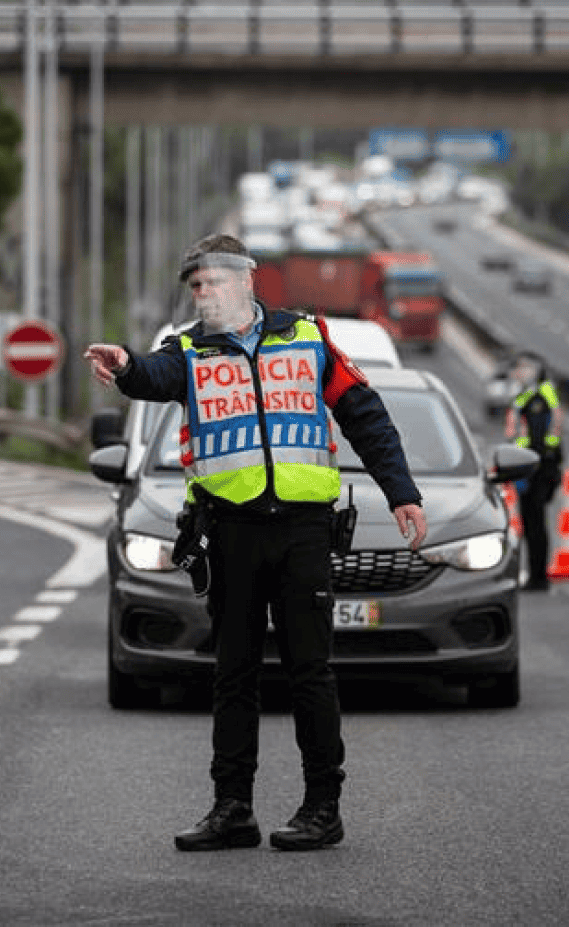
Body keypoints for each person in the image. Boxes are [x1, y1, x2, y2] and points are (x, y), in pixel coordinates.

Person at [84, 234, 427, 853]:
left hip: (301, 531)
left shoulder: (308, 337)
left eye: (212, 282)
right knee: (233, 674)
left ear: (246, 280)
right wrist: (127, 364)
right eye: (195, 286)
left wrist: (401, 493)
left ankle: (323, 807)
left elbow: (365, 415)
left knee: (310, 672)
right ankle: (232, 808)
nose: (203, 293)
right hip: (230, 531)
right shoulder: (188, 351)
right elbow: (151, 376)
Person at [504, 352, 563, 591]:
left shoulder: (539, 397)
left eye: (523, 368)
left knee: (535, 524)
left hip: (536, 469)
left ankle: (539, 577)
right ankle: (537, 575)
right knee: (531, 523)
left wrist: (527, 469)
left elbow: (538, 439)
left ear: (534, 371)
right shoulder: (529, 395)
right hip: (533, 467)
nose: (518, 372)